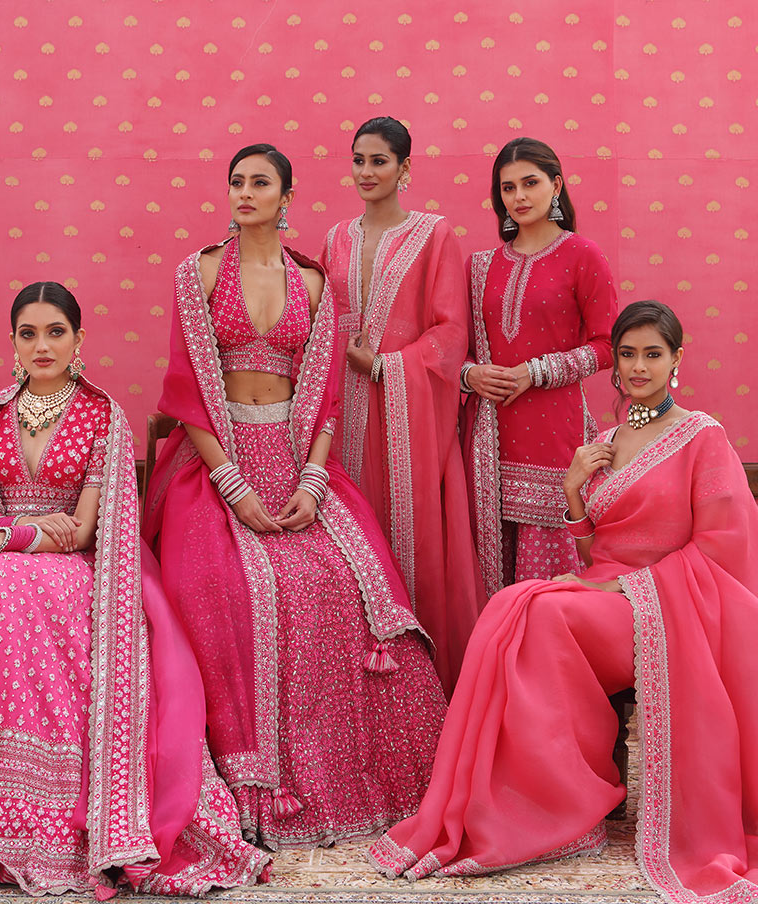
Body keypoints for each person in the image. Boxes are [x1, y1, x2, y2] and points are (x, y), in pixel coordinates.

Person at [370, 300, 758, 903]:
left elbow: (720, 545)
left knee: (542, 610)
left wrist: (624, 587)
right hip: (611, 596)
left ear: (677, 360)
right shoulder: (605, 441)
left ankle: (564, 804)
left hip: (673, 609)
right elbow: (597, 548)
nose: (638, 367)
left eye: (653, 354)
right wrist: (574, 490)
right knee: (511, 607)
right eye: (627, 354)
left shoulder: (701, 436)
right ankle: (536, 802)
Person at [0, 283, 270, 897]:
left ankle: (32, 821)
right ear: (12, 342)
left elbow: (81, 530)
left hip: (72, 565)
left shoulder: (102, 417)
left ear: (79, 339)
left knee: (6, 589)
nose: (42, 345)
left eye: (56, 332)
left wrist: (9, 536)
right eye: (29, 334)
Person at [142, 144, 447, 851]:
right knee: (222, 585)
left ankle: (368, 782)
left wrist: (312, 480)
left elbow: (326, 394)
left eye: (261, 183)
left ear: (286, 198)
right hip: (214, 460)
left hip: (295, 457)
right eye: (237, 181)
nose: (245, 192)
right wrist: (232, 486)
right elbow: (186, 391)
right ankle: (253, 783)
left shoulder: (311, 282)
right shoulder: (199, 273)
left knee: (346, 582)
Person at [320, 116, 484, 694]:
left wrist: (385, 367)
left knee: (409, 541)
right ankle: (357, 691)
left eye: (379, 161)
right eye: (358, 160)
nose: (366, 172)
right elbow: (321, 323)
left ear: (404, 167)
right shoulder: (336, 239)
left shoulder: (434, 235)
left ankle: (422, 689)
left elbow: (450, 334)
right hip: (343, 418)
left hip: (408, 422)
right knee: (347, 545)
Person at [460, 137, 617, 597]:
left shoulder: (582, 255)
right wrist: (470, 375)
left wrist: (538, 371)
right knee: (491, 570)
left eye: (530, 183)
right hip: (487, 438)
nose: (519, 197)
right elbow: (455, 350)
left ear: (556, 186)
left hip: (554, 436)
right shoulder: (479, 267)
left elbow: (608, 346)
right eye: (507, 188)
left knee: (547, 581)